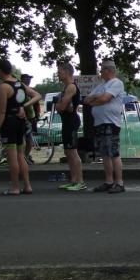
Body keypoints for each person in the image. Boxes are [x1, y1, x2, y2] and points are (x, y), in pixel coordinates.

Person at [0, 59, 41, 195]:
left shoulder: (4, 87)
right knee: (21, 155)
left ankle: (15, 187)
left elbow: (2, 111)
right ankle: (27, 185)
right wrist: (24, 106)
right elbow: (37, 95)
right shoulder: (19, 84)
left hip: (9, 123)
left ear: (0, 70)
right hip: (21, 121)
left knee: (12, 156)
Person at [83, 59, 126, 193]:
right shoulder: (101, 86)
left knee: (113, 153)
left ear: (108, 70)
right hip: (100, 123)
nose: (100, 72)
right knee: (105, 154)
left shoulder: (116, 83)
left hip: (110, 123)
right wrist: (97, 98)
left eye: (102, 70)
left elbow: (104, 99)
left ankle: (119, 183)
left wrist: (97, 99)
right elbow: (87, 100)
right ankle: (109, 181)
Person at [55, 61, 86, 191]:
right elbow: (62, 107)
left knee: (73, 152)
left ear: (67, 72)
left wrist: (59, 104)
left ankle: (80, 182)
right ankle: (73, 180)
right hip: (67, 121)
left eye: (59, 71)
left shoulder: (71, 87)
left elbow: (61, 107)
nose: (58, 74)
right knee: (68, 152)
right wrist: (60, 105)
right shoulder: (66, 87)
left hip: (71, 121)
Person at [20, 73, 40, 164]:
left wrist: (37, 115)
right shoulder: (20, 91)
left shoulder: (32, 90)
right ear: (22, 80)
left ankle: (26, 156)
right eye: (27, 79)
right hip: (24, 117)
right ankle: (23, 157)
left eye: (29, 79)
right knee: (24, 138)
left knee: (30, 139)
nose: (29, 81)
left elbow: (37, 104)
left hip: (32, 117)